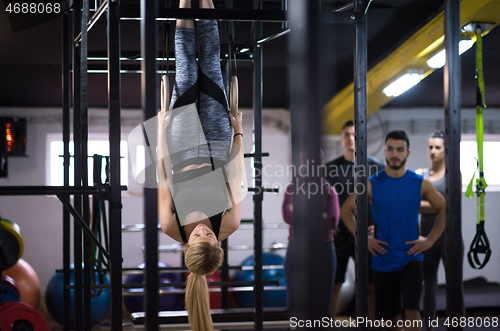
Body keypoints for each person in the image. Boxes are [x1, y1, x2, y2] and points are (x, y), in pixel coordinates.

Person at [156, 1, 244, 330]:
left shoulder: (171, 226)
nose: (203, 230)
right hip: (220, 145)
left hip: (181, 147)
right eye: (210, 235)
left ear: (186, 245)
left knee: (186, 71)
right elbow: (236, 174)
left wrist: (162, 130)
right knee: (210, 64)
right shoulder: (230, 222)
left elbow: (163, 175)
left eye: (198, 237)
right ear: (218, 242)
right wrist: (237, 129)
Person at [340, 130, 446, 331]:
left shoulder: (420, 182)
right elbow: (345, 210)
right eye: (390, 149)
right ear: (386, 152)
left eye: (400, 149)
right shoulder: (371, 184)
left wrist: (430, 240)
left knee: (412, 311)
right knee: (389, 319)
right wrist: (363, 239)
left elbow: (444, 208)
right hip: (383, 259)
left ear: (408, 153)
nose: (395, 154)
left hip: (411, 257)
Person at [324, 120, 384, 319]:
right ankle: (329, 325)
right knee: (334, 285)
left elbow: (386, 202)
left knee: (371, 286)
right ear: (341, 139)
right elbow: (316, 201)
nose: (351, 138)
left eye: (355, 134)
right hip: (339, 235)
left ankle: (372, 325)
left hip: (368, 236)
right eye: (347, 135)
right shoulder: (330, 169)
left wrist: (380, 227)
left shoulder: (378, 168)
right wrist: (325, 221)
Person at [282, 150, 340, 318]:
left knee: (323, 309)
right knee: (294, 308)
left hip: (324, 251)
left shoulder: (329, 191)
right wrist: (319, 215)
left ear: (320, 164)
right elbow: (287, 216)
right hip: (296, 250)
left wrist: (300, 214)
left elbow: (333, 221)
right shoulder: (292, 189)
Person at [415, 131, 461, 330]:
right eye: (431, 147)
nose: (433, 151)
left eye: (438, 147)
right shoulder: (420, 174)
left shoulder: (454, 174)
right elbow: (415, 204)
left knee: (455, 288)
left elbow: (453, 205)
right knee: (429, 286)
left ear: (445, 150)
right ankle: (429, 327)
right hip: (426, 238)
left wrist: (433, 203)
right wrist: (440, 205)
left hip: (449, 238)